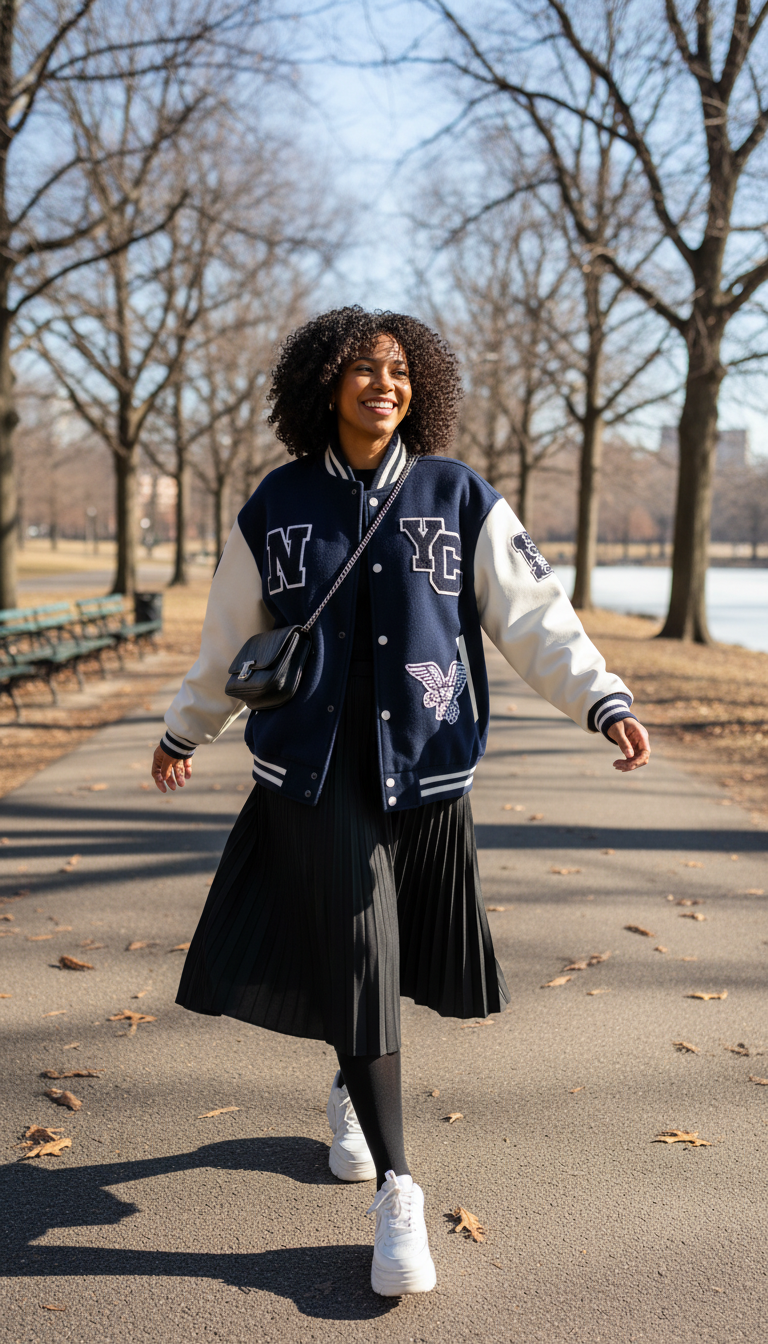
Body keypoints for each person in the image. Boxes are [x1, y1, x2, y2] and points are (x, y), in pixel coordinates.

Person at [151, 306, 650, 1297]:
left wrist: (600, 697)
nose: (385, 384)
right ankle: (400, 1191)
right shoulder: (277, 504)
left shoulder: (457, 494)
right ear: (323, 385)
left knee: (386, 953)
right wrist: (183, 728)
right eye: (363, 370)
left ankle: (348, 1082)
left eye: (400, 372)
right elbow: (228, 637)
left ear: (422, 387)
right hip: (315, 771)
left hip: (428, 770)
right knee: (357, 945)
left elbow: (533, 615)